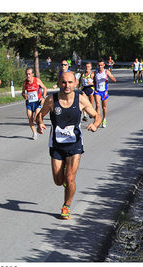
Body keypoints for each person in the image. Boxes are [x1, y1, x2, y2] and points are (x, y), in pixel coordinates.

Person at [37, 71, 102, 220]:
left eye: (70, 82)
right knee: (58, 181)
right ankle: (66, 180)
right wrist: (40, 123)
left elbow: (97, 116)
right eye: (64, 82)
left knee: (70, 178)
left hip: (74, 144)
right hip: (57, 145)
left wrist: (95, 125)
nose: (67, 85)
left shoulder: (81, 100)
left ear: (75, 83)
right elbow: (40, 114)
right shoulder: (52, 100)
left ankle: (66, 206)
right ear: (59, 83)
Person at [21, 68, 48, 140]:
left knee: (36, 117)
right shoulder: (25, 82)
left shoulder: (37, 80)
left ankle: (40, 125)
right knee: (30, 119)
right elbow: (23, 92)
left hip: (37, 102)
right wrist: (24, 95)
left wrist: (43, 97)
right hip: (29, 103)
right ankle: (34, 133)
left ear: (32, 74)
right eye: (27, 74)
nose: (28, 76)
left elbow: (45, 88)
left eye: (29, 74)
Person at [92, 59, 116, 128]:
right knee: (97, 105)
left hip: (104, 92)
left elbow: (114, 80)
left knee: (104, 107)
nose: (100, 66)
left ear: (104, 65)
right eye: (99, 65)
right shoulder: (95, 73)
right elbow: (92, 80)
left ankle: (104, 119)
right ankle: (97, 120)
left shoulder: (106, 72)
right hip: (97, 91)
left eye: (101, 65)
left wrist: (110, 76)